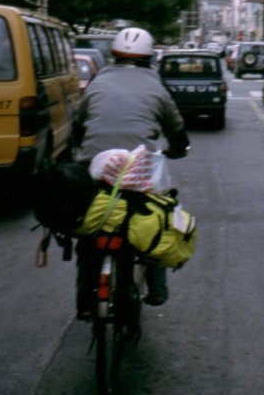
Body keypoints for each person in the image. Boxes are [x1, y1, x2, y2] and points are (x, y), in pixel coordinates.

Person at [71, 27, 190, 317]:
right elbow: (176, 129)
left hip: (94, 166)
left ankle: (85, 301)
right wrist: (177, 148)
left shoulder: (99, 81)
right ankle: (157, 288)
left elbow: (79, 123)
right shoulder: (156, 86)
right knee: (156, 219)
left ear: (114, 55)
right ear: (149, 58)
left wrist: (81, 149)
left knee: (90, 229)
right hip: (138, 171)